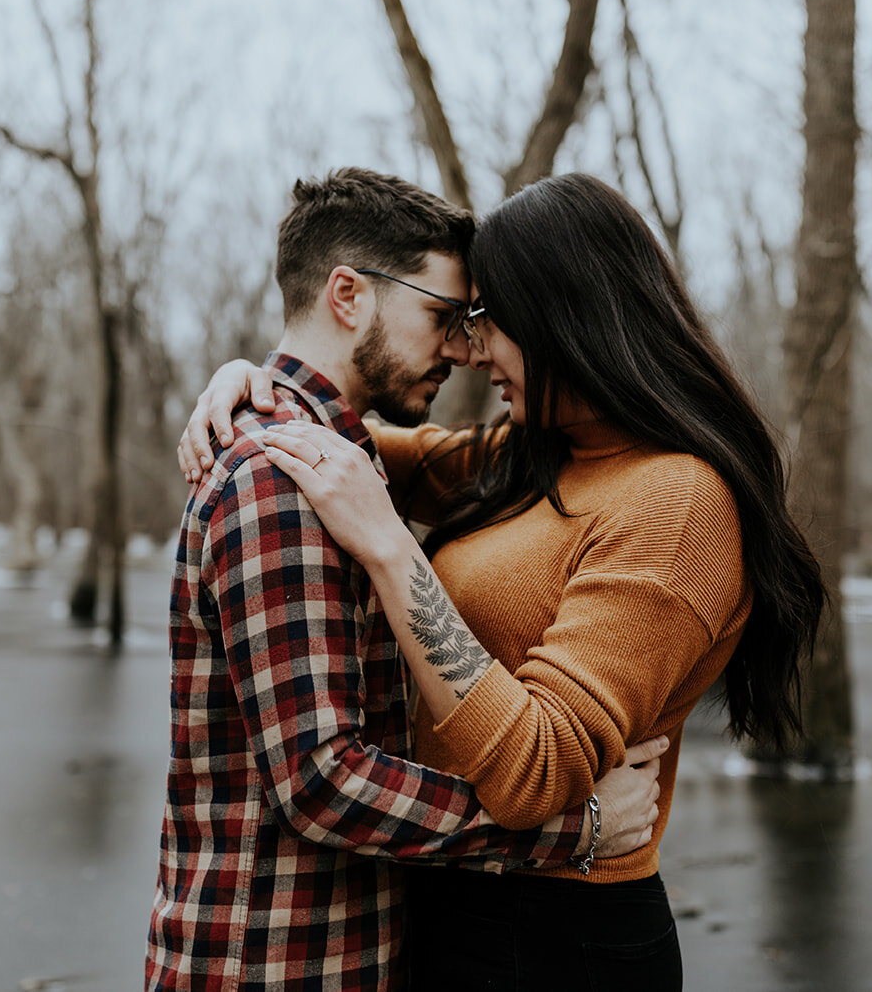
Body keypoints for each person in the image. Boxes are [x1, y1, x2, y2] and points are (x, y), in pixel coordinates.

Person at [179, 171, 826, 990]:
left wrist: (393, 551)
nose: (472, 351)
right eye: (458, 321)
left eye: (487, 322)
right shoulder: (531, 456)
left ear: (564, 317)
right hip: (447, 896)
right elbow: (356, 446)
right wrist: (252, 385)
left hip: (562, 932)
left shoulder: (677, 501)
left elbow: (539, 770)